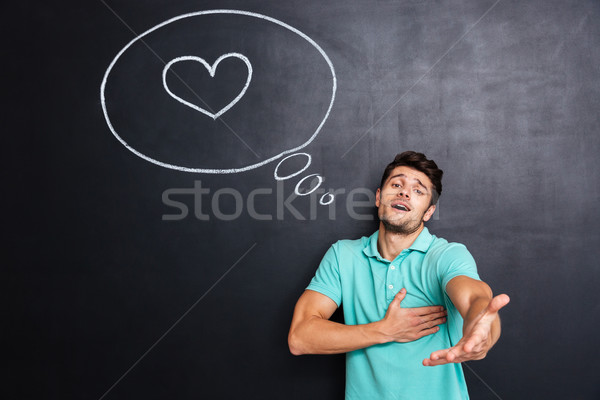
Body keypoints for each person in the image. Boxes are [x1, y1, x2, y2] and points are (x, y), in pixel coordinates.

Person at [288, 151, 509, 399]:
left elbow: (475, 299)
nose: (404, 192)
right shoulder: (343, 255)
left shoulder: (446, 255)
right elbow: (300, 337)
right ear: (379, 197)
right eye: (397, 184)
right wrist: (385, 330)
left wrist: (482, 330)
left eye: (418, 190)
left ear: (428, 212)